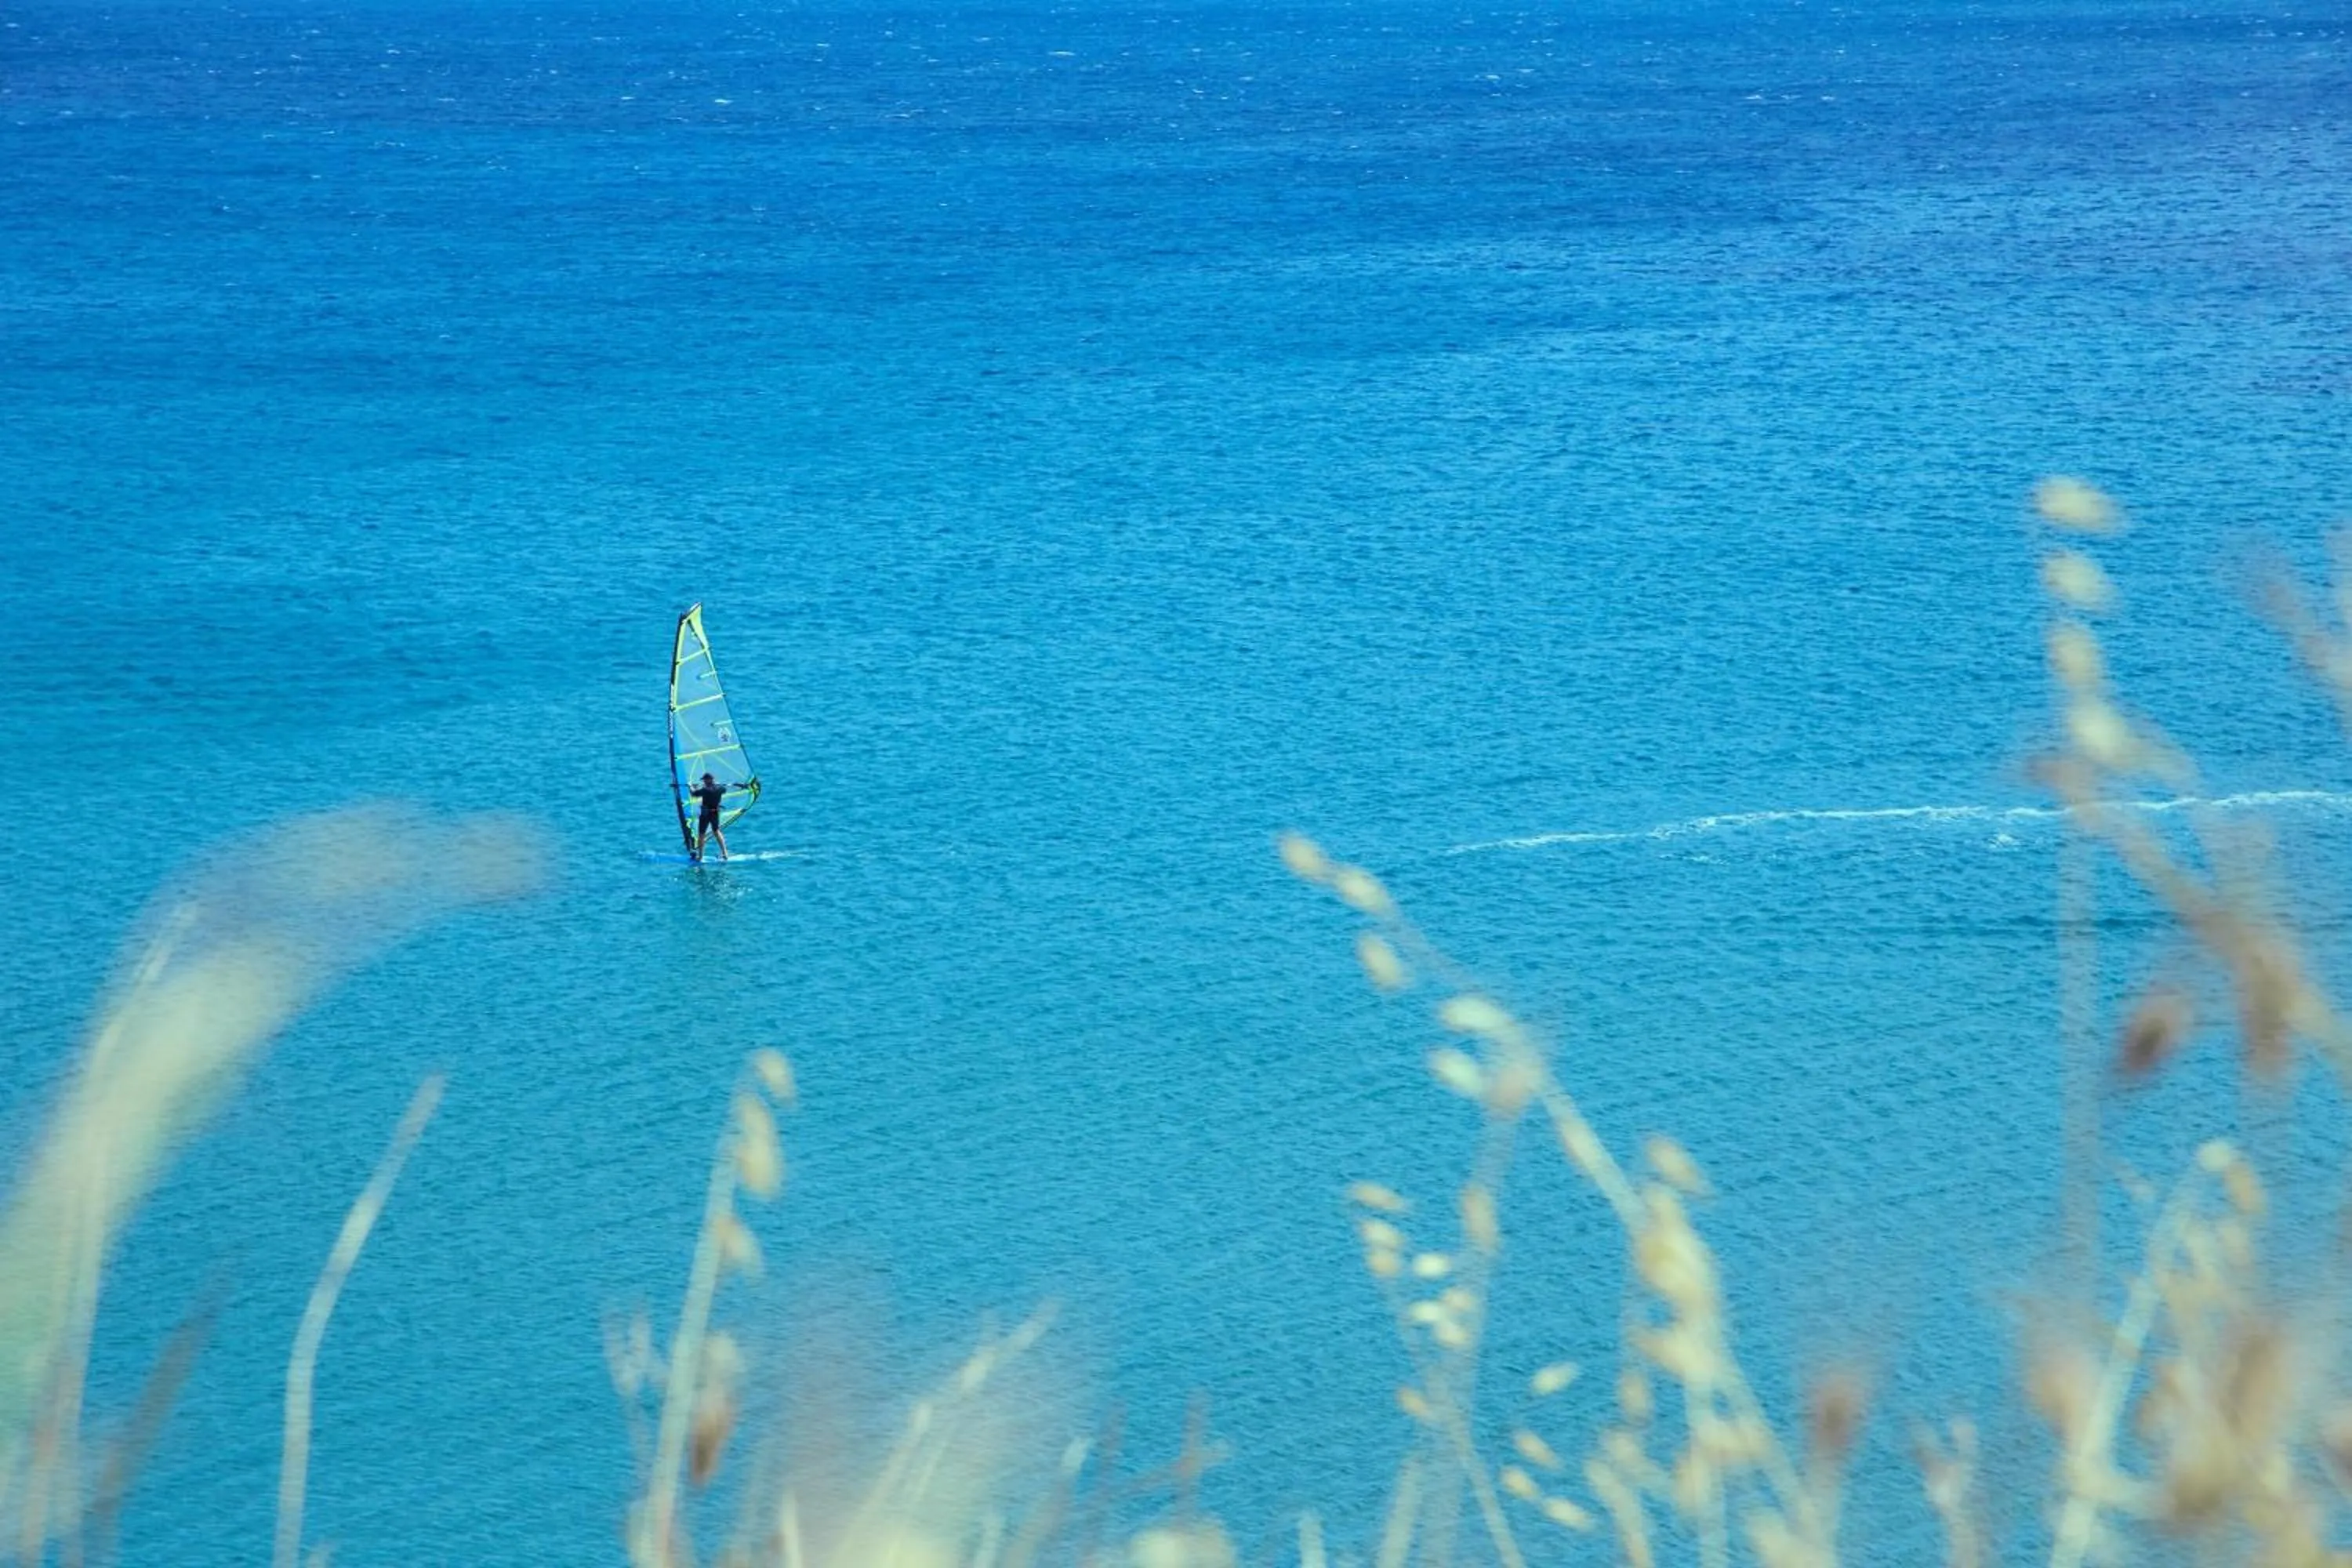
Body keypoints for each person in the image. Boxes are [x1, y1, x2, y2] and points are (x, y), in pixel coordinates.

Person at [688, 771, 733, 862]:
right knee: (717, 832)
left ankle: (700, 857)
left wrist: (690, 786)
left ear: (708, 780)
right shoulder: (720, 789)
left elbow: (694, 794)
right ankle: (725, 853)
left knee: (701, 834)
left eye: (705, 780)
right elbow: (724, 789)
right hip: (715, 813)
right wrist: (716, 784)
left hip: (705, 815)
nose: (704, 781)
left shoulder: (705, 790)